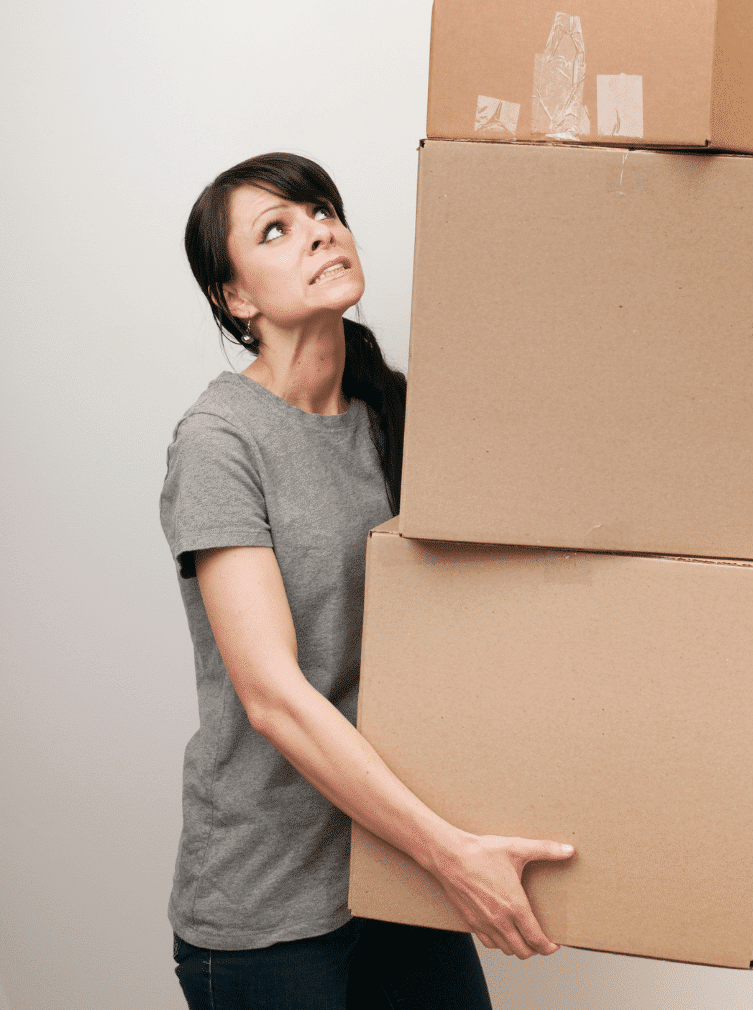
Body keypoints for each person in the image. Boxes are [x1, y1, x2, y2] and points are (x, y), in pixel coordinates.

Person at [161, 151, 574, 1009]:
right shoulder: (220, 442)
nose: (318, 230)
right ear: (234, 299)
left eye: (323, 211)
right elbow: (273, 697)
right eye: (277, 229)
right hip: (271, 903)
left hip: (395, 872)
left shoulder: (395, 416)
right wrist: (451, 853)